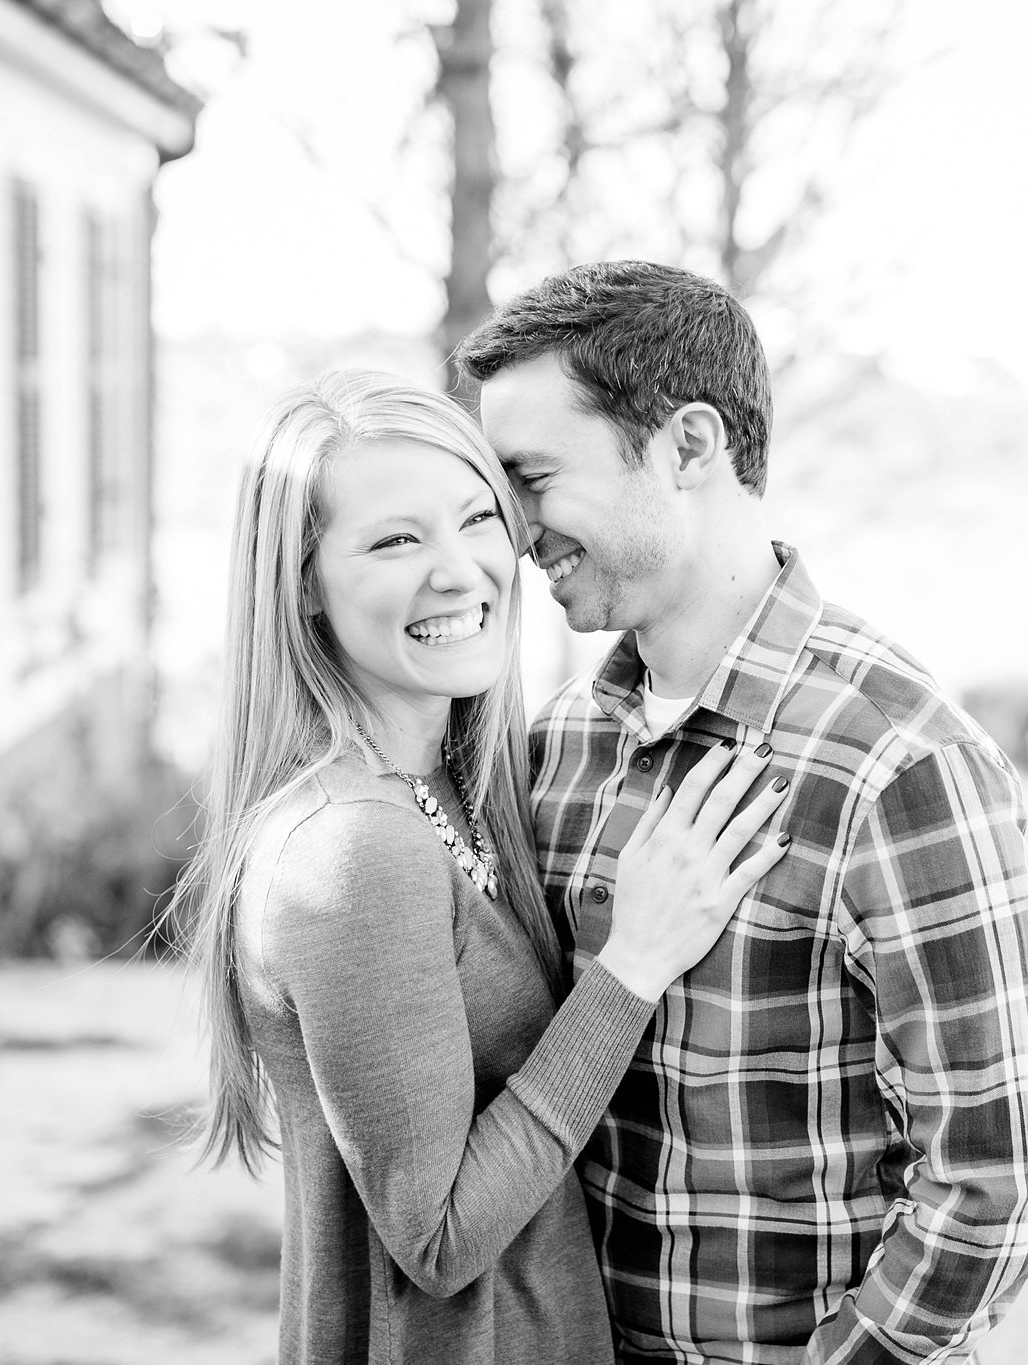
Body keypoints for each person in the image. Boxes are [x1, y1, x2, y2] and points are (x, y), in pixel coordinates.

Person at [464, 263, 1028, 1364]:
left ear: (688, 447)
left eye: (532, 477)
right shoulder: (555, 747)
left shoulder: (895, 761)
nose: (512, 532)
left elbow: (986, 1192)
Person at [178, 370, 791, 1364]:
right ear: (301, 585)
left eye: (476, 519)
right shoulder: (351, 849)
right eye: (394, 539)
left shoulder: (459, 793)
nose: (459, 570)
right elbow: (438, 1237)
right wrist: (630, 968)